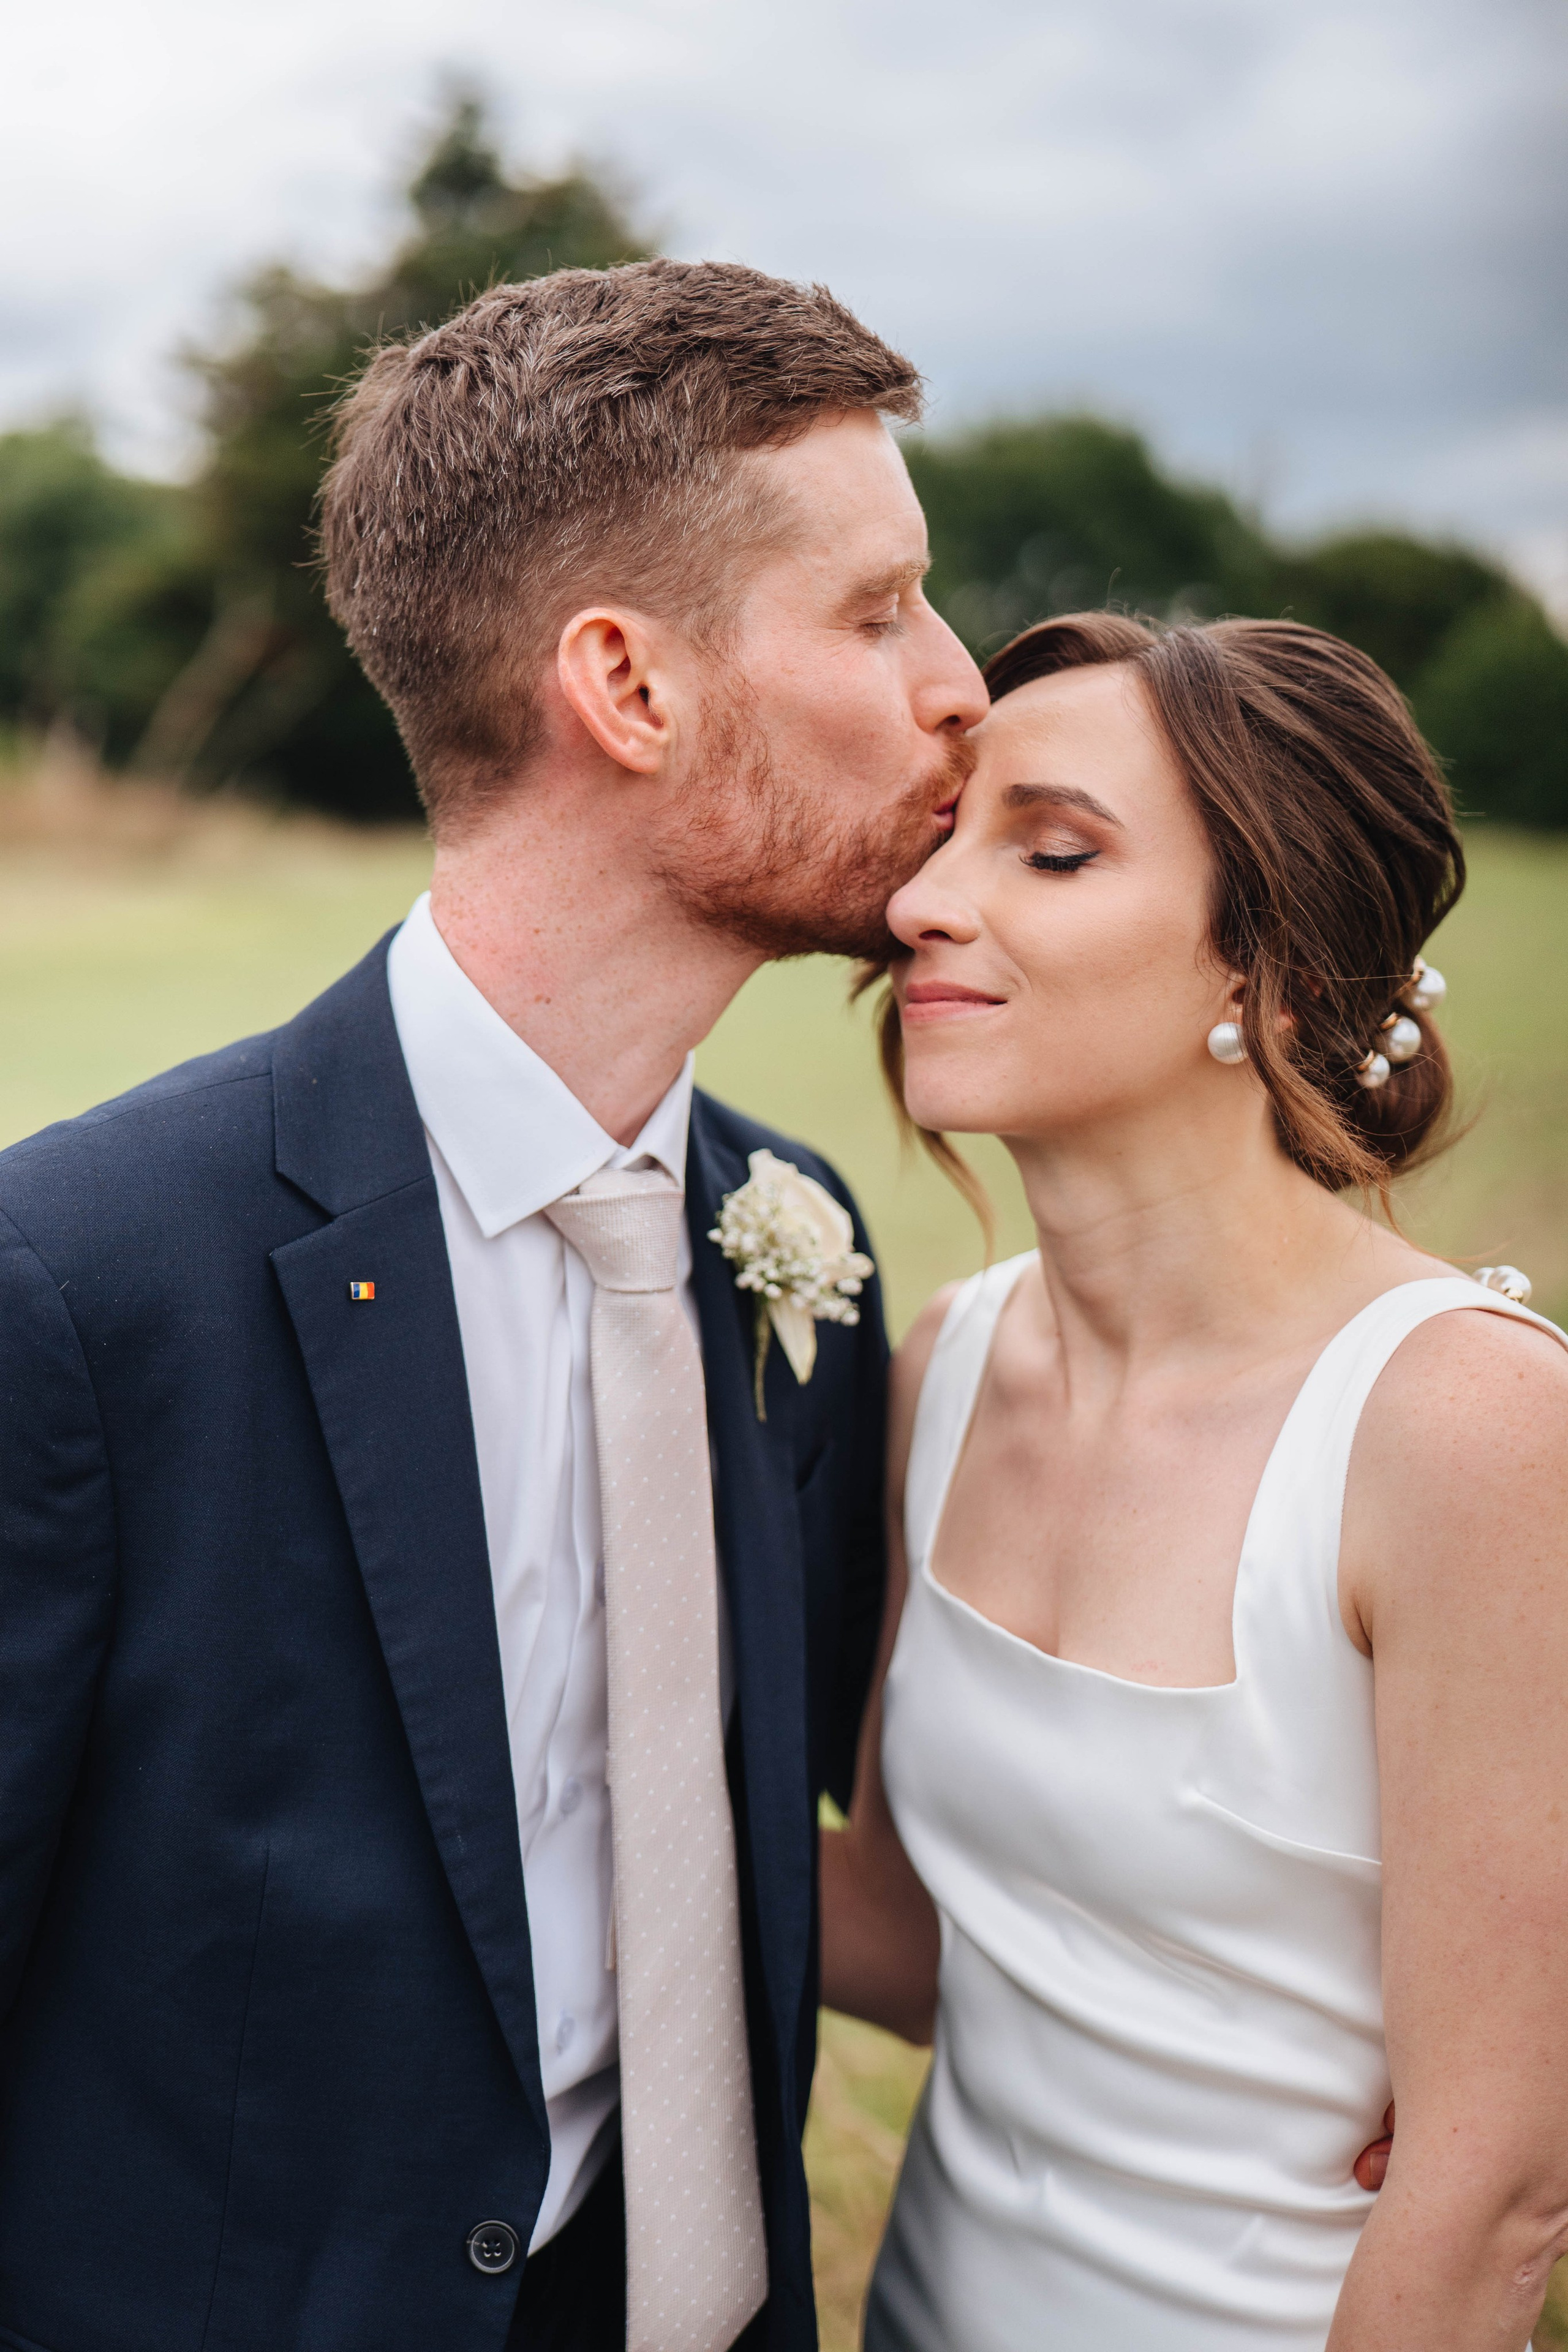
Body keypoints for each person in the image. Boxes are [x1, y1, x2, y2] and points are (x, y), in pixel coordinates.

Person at [0, 261, 988, 2352]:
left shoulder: (791, 1239)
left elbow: (796, 1853)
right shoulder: (74, 1285)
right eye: (879, 608)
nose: (960, 686)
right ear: (628, 688)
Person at [823, 612, 1568, 2351]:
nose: (925, 905)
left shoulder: (1462, 1431)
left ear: (1275, 965)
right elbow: (909, 1940)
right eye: (946, 840)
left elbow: (1491, 2195)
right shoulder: (946, 1363)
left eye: (1055, 852)